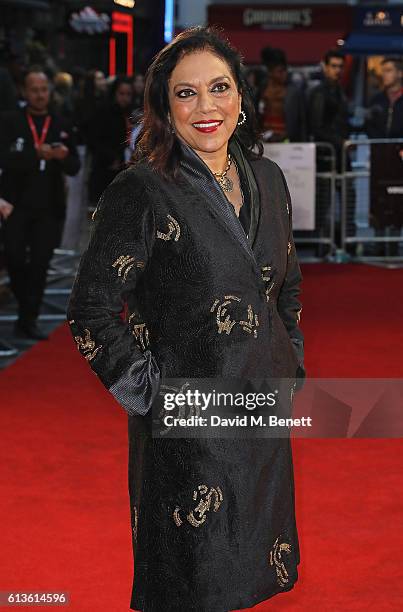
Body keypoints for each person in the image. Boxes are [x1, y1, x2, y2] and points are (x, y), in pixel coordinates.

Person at [66, 26, 305, 611]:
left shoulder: (269, 181)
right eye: (186, 93)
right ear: (164, 109)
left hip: (259, 412)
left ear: (241, 98)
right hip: (186, 430)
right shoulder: (142, 190)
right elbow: (90, 311)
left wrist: (289, 363)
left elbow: (286, 286)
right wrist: (152, 395)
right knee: (193, 583)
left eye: (219, 87)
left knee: (252, 571)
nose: (207, 107)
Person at [0, 67, 80, 340]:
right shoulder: (10, 122)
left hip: (49, 207)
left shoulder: (60, 122)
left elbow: (73, 166)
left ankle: (28, 318)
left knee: (40, 264)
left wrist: (61, 156)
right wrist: (35, 154)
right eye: (34, 90)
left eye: (44, 90)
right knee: (13, 258)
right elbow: (6, 160)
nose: (40, 95)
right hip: (16, 204)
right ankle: (24, 306)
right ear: (24, 92)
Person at [87, 75, 134, 204]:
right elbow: (94, 140)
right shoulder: (104, 113)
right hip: (105, 171)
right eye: (121, 93)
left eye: (128, 94)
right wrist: (111, 158)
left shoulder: (132, 113)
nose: (125, 98)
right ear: (114, 93)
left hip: (124, 172)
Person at [256, 47, 307, 142]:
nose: (284, 74)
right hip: (265, 138)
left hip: (286, 139)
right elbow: (256, 114)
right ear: (270, 72)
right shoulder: (262, 89)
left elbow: (302, 120)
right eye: (280, 71)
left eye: (285, 70)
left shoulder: (293, 92)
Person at [366, 57, 403, 139]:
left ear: (400, 73)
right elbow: (369, 125)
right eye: (383, 71)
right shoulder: (376, 100)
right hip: (379, 148)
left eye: (388, 70)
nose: (383, 74)